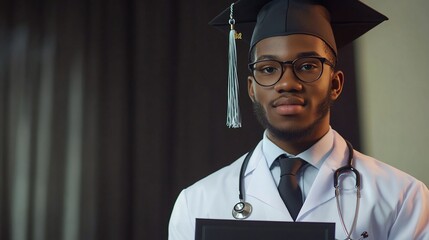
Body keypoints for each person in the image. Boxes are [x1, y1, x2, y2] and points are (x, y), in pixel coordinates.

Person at [169, 0, 429, 239]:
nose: (286, 83)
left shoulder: (402, 197)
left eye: (307, 66)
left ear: (336, 84)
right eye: (269, 69)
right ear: (251, 89)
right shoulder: (197, 202)